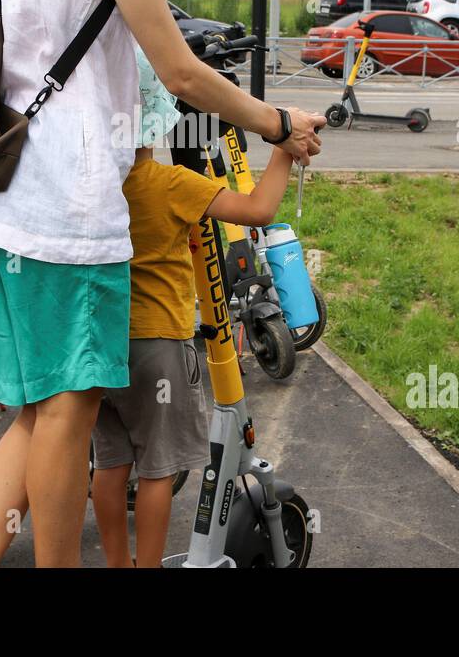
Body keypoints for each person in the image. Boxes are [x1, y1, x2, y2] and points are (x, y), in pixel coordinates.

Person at [0, 0, 325, 568]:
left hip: (5, 206)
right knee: (66, 418)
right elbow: (183, 73)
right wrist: (280, 122)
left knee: (33, 416)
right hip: (64, 212)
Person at [90, 48, 295, 567]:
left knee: (110, 466)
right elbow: (258, 210)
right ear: (156, 125)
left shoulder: (94, 185)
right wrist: (286, 152)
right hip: (159, 346)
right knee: (158, 471)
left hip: (100, 342)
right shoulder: (171, 184)